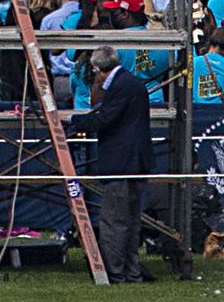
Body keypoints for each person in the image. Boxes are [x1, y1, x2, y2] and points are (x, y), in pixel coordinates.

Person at [70, 46, 155, 284]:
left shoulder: (119, 86)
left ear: (98, 70)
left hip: (121, 162)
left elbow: (105, 118)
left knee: (114, 221)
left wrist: (73, 120)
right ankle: (131, 271)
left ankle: (115, 272)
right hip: (136, 162)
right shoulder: (133, 83)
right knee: (131, 221)